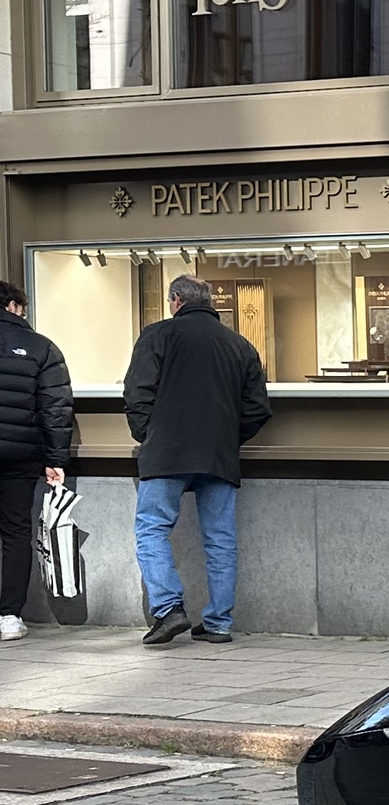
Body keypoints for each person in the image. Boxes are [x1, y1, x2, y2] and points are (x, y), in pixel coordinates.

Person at [123, 273, 270, 646]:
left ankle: (169, 609)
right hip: (218, 455)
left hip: (166, 451)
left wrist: (148, 434)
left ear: (176, 301)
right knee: (220, 539)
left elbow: (137, 392)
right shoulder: (239, 344)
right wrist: (227, 438)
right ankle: (219, 622)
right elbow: (257, 408)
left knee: (152, 529)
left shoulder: (157, 335)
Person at [0, 279, 73, 643]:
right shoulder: (40, 347)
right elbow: (56, 409)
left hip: (19, 454)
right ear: (14, 306)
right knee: (15, 532)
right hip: (19, 455)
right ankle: (9, 615)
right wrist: (56, 458)